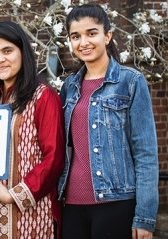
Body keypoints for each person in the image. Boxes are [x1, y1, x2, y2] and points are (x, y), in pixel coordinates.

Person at [58, 4, 159, 239]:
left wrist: (145, 216)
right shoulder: (69, 87)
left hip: (116, 203)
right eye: (76, 36)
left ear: (107, 35)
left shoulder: (131, 81)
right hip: (71, 205)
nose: (84, 42)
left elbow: (145, 154)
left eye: (91, 33)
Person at [0, 21, 65, 239]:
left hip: (32, 209)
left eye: (7, 51)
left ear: (22, 52)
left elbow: (53, 158)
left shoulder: (43, 96)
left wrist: (14, 195)